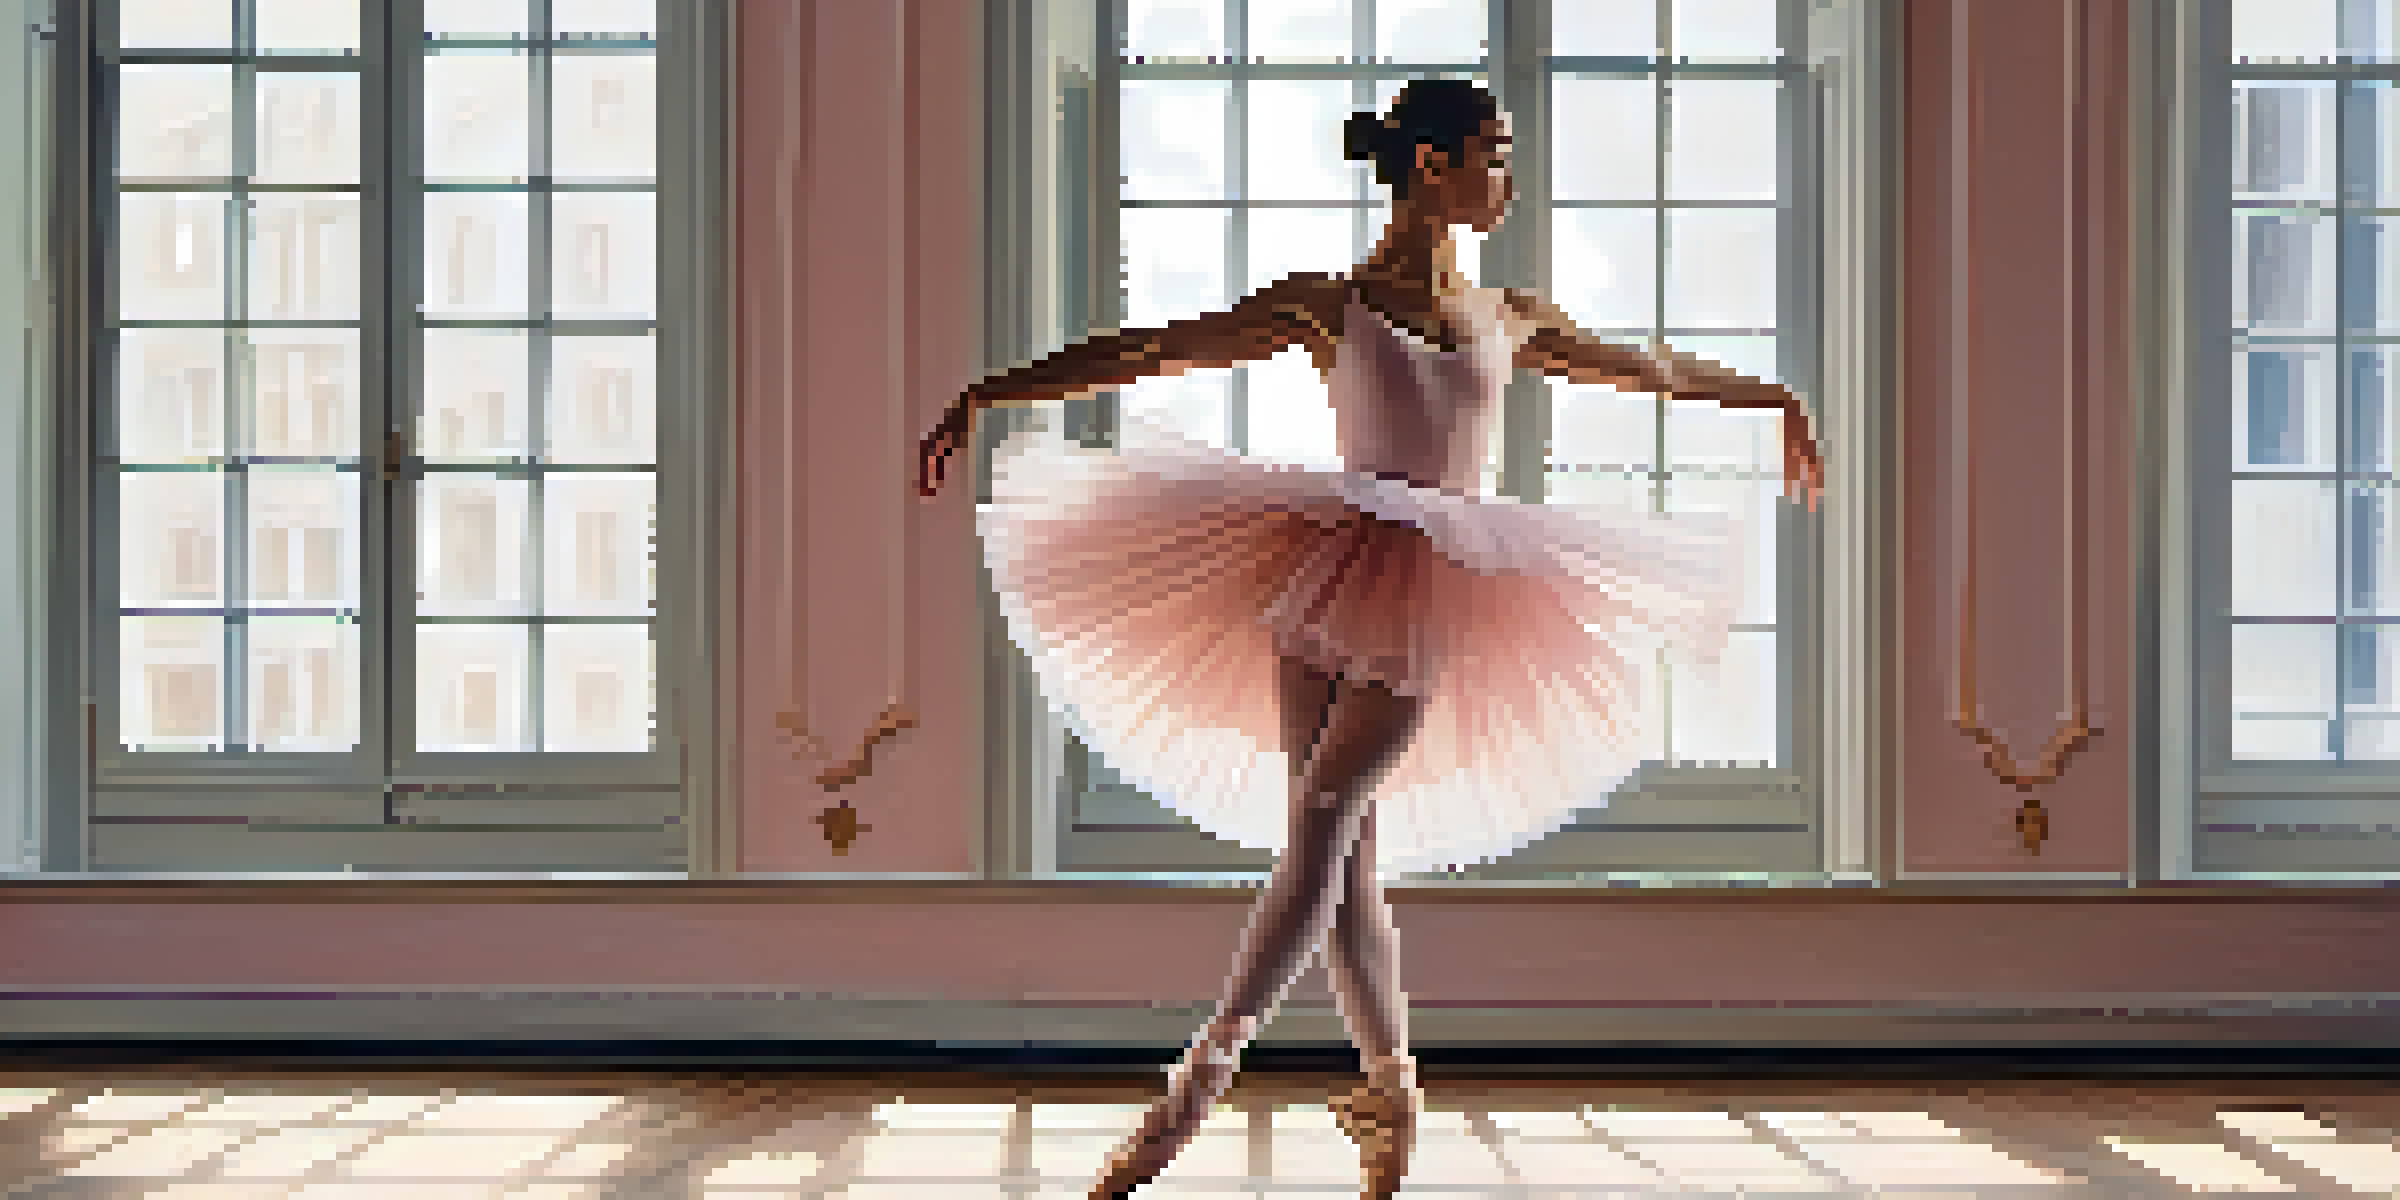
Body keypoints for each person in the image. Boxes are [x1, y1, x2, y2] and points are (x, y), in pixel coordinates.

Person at [917, 78, 1823, 1200]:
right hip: (1324, 561)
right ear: (1433, 163)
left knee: (1326, 812)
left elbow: (1657, 369)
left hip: (1448, 581)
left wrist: (1776, 398)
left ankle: (1197, 1084)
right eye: (1495, 153)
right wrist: (993, 392)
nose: (1510, 177)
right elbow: (1154, 350)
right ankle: (1390, 1089)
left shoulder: (1515, 314)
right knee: (1343, 862)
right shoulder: (1327, 303)